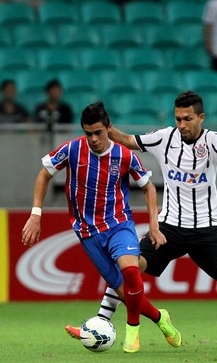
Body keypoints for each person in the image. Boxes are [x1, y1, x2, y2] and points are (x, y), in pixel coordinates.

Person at [64, 91, 217, 352]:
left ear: (201, 117)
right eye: (178, 119)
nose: (182, 125)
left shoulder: (211, 140)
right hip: (169, 227)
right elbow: (128, 140)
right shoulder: (164, 138)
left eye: (187, 119)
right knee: (129, 267)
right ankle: (98, 325)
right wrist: (105, 126)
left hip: (206, 228)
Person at [21, 101, 182, 353]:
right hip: (88, 233)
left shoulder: (125, 155)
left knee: (130, 272)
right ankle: (161, 319)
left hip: (119, 224)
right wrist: (36, 214)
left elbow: (149, 187)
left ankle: (132, 333)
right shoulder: (72, 149)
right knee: (124, 290)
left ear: (108, 128)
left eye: (98, 132)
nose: (93, 139)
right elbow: (44, 174)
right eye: (88, 133)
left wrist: (154, 225)